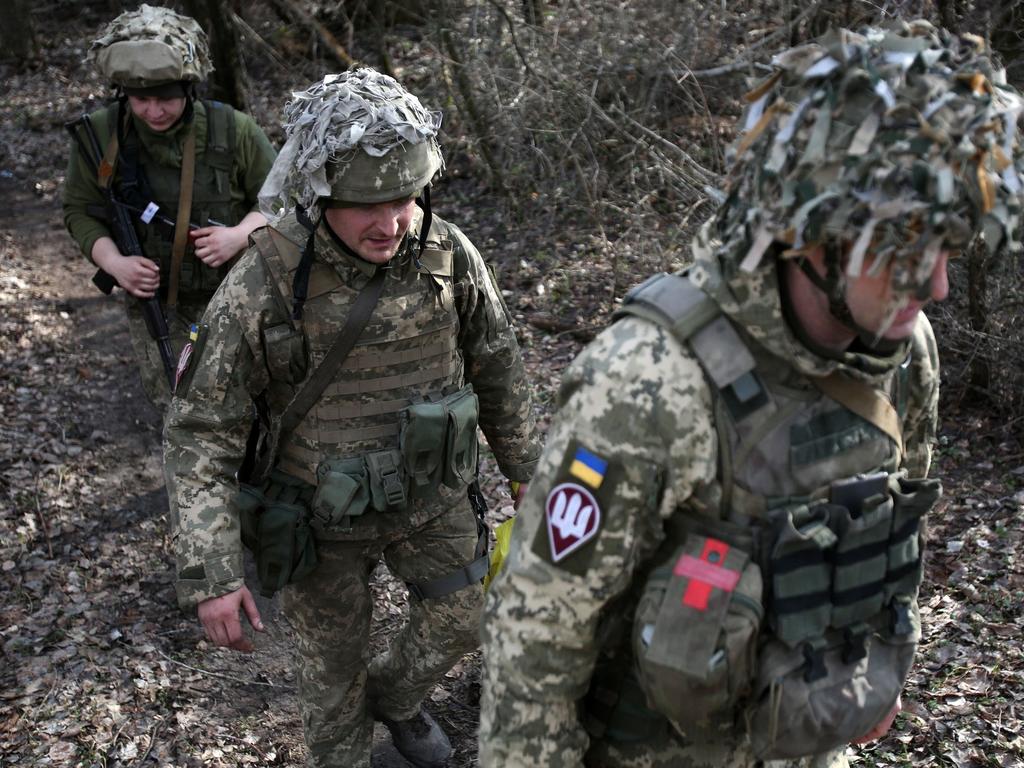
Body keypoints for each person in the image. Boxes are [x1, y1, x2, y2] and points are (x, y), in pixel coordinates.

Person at [480, 19, 1024, 768]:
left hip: (806, 728)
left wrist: (880, 659)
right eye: (906, 252)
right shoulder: (647, 383)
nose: (935, 286)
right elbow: (539, 637)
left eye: (947, 252)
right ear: (815, 233)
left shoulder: (906, 350)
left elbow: (900, 515)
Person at [163, 69, 541, 768]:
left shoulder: (447, 254)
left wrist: (529, 478)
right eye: (370, 203)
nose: (392, 222)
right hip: (317, 521)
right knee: (331, 695)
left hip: (433, 497)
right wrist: (211, 573)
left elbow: (499, 369)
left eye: (404, 198)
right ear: (320, 192)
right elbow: (200, 433)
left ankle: (394, 700)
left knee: (468, 616)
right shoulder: (265, 280)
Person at [63, 4, 276, 409]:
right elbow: (79, 210)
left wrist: (239, 235)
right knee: (178, 412)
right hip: (156, 304)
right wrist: (115, 265)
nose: (153, 112)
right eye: (141, 100)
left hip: (239, 298)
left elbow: (282, 199)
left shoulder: (233, 130)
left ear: (189, 89)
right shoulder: (102, 134)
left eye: (166, 99)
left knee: (247, 407)